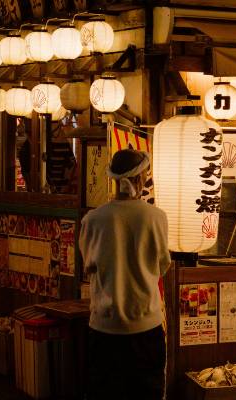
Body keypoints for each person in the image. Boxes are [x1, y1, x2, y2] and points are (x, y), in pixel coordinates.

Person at [79, 149, 170, 400]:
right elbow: (163, 265)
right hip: (146, 326)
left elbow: (89, 266)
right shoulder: (156, 218)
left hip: (104, 327)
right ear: (141, 179)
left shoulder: (93, 220)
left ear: (114, 179)